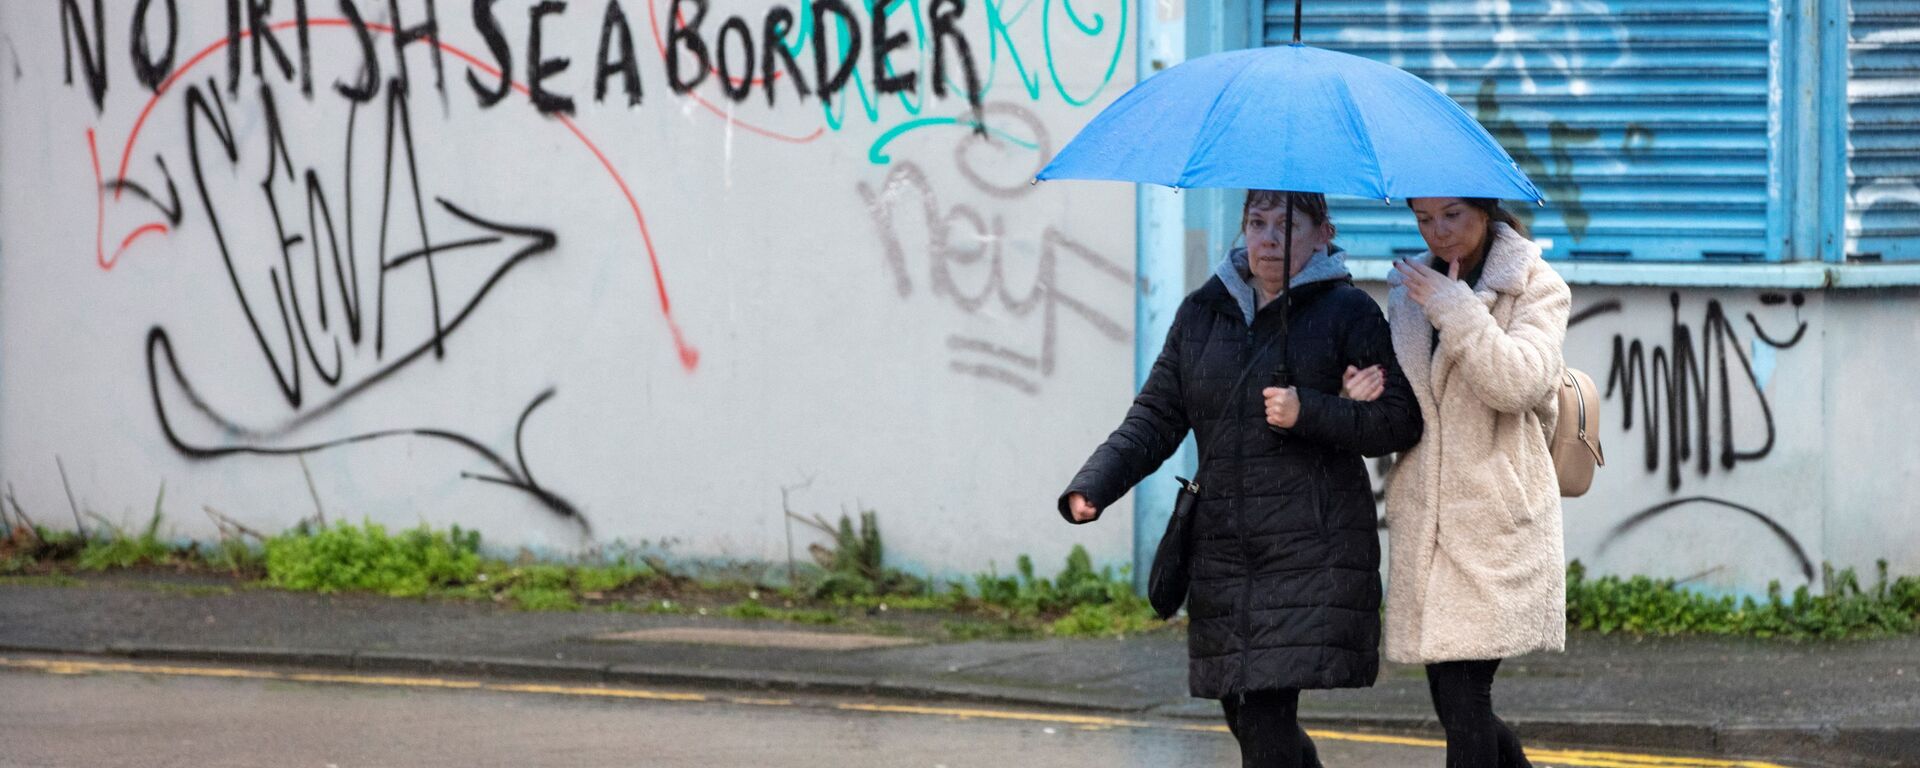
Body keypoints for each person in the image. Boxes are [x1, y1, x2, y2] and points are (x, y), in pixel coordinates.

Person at [1058, 190, 1422, 767]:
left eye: (1286, 224)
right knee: (1242, 711)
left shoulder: (1349, 312)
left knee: (1263, 718)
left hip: (1310, 549)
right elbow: (1155, 414)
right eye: (1257, 223)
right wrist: (1094, 485)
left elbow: (1398, 421)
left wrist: (1313, 410)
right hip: (1225, 550)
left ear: (1322, 232)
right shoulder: (1202, 313)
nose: (1268, 239)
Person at [1373, 197, 1571, 767]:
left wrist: (1456, 309)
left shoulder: (1535, 283)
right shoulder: (1411, 289)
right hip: (1429, 523)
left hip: (1496, 521)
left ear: (1485, 211)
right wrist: (1361, 386)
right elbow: (1408, 405)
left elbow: (1519, 383)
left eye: (1453, 215)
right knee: (1457, 705)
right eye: (1424, 219)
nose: (1439, 232)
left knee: (1465, 699)